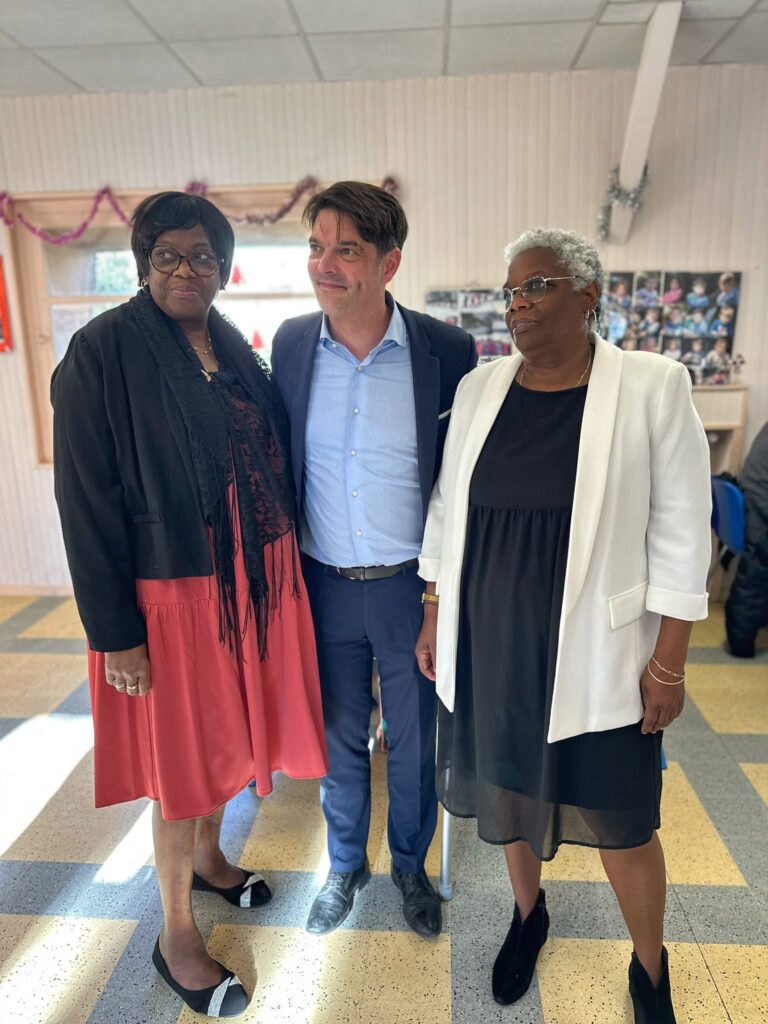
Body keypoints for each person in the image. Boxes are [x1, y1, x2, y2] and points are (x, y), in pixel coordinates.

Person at [416, 228, 710, 1022]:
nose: (519, 304)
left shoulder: (651, 386)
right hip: (491, 641)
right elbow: (446, 508)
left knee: (624, 820)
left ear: (587, 296)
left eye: (537, 286)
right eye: (511, 291)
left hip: (598, 651)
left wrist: (669, 662)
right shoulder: (479, 390)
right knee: (510, 794)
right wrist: (433, 609)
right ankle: (528, 916)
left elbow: (684, 531)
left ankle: (650, 966)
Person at [51, 192, 328, 1019]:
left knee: (228, 745)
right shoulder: (102, 350)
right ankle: (176, 932)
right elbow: (84, 502)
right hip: (169, 601)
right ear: (144, 261)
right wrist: (116, 635)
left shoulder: (231, 343)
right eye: (168, 254)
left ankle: (211, 859)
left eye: (203, 255)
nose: (186, 269)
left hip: (251, 589)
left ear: (223, 266)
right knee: (181, 770)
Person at [271, 181, 477, 939]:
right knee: (338, 737)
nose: (324, 265)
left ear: (389, 264)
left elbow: (458, 481)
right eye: (316, 247)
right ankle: (344, 864)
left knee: (415, 741)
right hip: (322, 583)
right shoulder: (292, 344)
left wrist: (438, 598)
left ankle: (410, 867)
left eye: (347, 250)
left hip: (409, 589)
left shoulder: (445, 351)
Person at [725, 422, 768, 657]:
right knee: (756, 576)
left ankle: (741, 641)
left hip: (754, 500)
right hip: (762, 507)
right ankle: (741, 645)